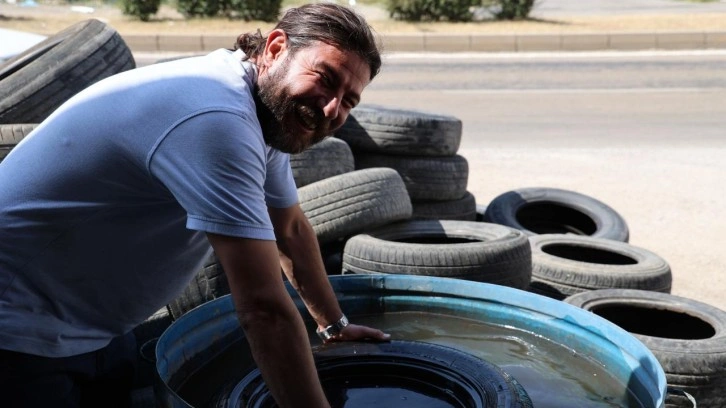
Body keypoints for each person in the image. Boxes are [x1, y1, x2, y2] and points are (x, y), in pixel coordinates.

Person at [0, 3, 390, 407]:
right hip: (20, 331)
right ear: (276, 49)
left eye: (349, 100)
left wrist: (333, 326)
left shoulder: (266, 109)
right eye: (325, 78)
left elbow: (288, 228)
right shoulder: (217, 117)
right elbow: (263, 310)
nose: (331, 109)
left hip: (89, 325)